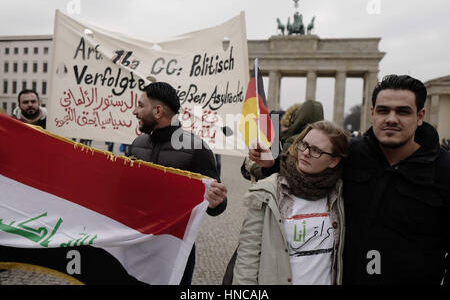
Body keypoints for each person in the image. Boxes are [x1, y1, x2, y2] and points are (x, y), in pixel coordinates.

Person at [248, 74, 450, 285]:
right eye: (383, 110)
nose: (391, 118)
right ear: (372, 114)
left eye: (403, 111)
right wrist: (272, 165)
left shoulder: (445, 170)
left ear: (420, 116)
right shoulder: (353, 153)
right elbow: (309, 172)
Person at [127, 81, 228, 285]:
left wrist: (218, 201)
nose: (134, 111)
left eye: (140, 105)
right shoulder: (136, 145)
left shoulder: (197, 149)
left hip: (175, 251)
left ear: (157, 111)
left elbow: (215, 207)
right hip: (135, 247)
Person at [233, 121, 349, 285]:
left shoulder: (340, 195)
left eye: (316, 150)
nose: (306, 153)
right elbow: (248, 258)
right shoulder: (268, 192)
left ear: (334, 161)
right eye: (304, 144)